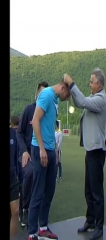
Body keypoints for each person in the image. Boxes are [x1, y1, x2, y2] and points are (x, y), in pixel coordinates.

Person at [64, 68, 106, 240]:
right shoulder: (93, 98)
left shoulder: (101, 100)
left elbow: (81, 101)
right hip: (91, 150)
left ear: (98, 84)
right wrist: (71, 89)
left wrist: (71, 82)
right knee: (88, 190)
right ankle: (90, 220)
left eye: (91, 81)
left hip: (97, 151)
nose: (89, 84)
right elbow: (79, 103)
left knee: (97, 192)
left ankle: (99, 227)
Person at [27, 78, 70, 240]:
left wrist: (55, 152)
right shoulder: (46, 95)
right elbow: (35, 121)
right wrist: (42, 149)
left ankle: (43, 227)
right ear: (63, 88)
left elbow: (49, 125)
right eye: (67, 95)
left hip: (51, 150)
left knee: (49, 190)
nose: (67, 99)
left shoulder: (55, 99)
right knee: (38, 191)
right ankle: (32, 233)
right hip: (40, 149)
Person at [16, 81, 49, 227]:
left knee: (43, 178)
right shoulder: (29, 110)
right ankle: (25, 208)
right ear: (37, 94)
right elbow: (19, 132)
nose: (43, 96)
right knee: (30, 173)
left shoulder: (47, 111)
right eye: (41, 93)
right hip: (27, 153)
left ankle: (38, 212)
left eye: (45, 93)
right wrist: (23, 151)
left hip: (40, 153)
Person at [10, 119, 20, 239]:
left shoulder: (13, 133)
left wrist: (19, 177)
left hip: (13, 179)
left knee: (16, 212)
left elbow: (16, 157)